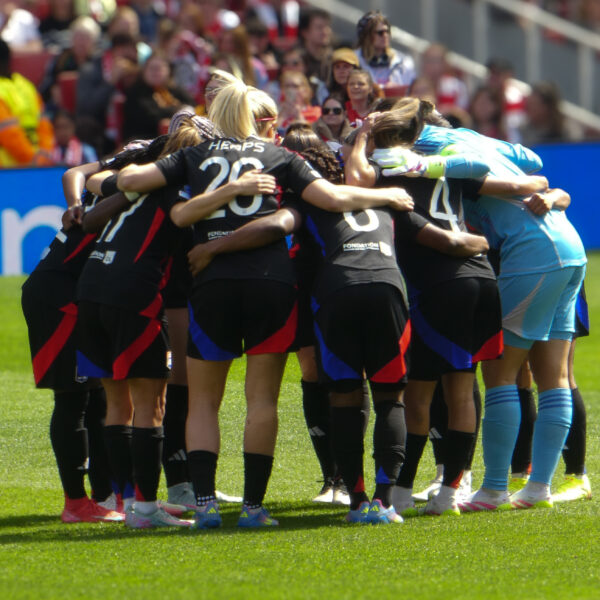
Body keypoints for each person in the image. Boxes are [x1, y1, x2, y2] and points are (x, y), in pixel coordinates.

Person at [116, 81, 414, 529]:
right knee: (262, 401)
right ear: (261, 119)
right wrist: (386, 195)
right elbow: (332, 198)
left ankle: (205, 506)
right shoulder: (280, 157)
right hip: (271, 283)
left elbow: (129, 180)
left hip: (211, 282)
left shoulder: (195, 155)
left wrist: (196, 178)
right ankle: (254, 507)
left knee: (203, 402)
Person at [411, 113, 587, 511]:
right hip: (568, 246)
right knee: (553, 376)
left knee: (499, 373)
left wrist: (415, 162)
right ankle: (538, 488)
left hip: (532, 253)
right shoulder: (477, 137)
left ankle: (492, 489)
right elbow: (533, 161)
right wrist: (537, 184)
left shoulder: (432, 144)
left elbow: (464, 168)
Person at [21, 160, 121, 524]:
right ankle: (76, 503)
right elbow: (74, 177)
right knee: (74, 397)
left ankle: (103, 496)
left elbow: (73, 173)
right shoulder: (132, 183)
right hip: (58, 300)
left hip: (73, 294)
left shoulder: (121, 179)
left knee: (96, 396)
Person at [0, 39, 54, 167]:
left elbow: (43, 123)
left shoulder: (26, 86)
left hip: (11, 169)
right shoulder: (26, 85)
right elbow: (45, 127)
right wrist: (41, 158)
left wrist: (33, 160)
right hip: (30, 164)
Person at [122, 51, 193, 142]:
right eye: (151, 68)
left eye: (159, 68)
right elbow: (152, 116)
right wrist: (178, 110)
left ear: (168, 70)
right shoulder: (136, 92)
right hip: (145, 140)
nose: (155, 72)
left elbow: (192, 105)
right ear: (144, 71)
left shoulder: (174, 90)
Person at [354, 10, 415, 91]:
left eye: (387, 32)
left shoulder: (403, 61)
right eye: (380, 33)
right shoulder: (353, 60)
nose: (385, 36)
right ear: (367, 36)